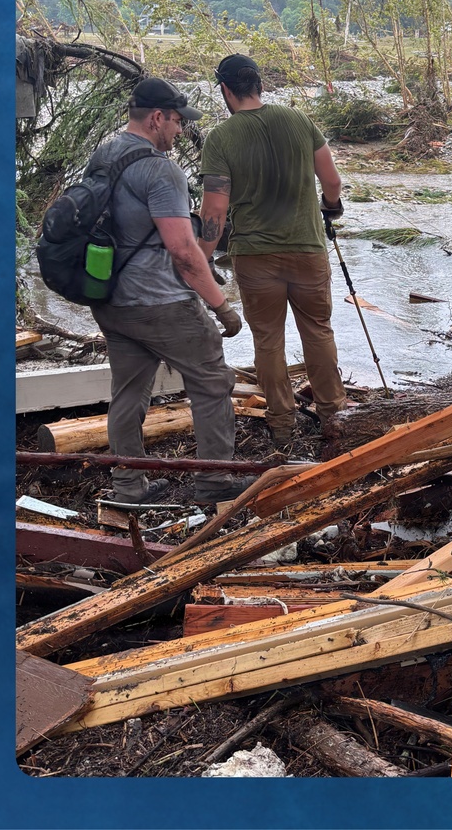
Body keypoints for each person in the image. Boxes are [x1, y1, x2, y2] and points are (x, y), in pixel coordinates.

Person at [90, 77, 255, 504]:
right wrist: (222, 308)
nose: (180, 130)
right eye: (177, 121)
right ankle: (215, 480)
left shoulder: (104, 154)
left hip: (110, 300)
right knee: (213, 382)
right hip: (161, 303)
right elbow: (183, 251)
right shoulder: (160, 170)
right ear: (157, 117)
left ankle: (128, 485)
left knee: (127, 391)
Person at [198, 54, 347, 447]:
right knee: (318, 330)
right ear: (259, 84)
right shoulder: (299, 121)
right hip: (308, 249)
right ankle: (334, 415)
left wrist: (200, 257)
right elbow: (331, 181)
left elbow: (214, 210)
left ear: (226, 90)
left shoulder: (221, 137)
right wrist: (330, 209)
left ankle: (282, 423)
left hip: (255, 256)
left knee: (268, 339)